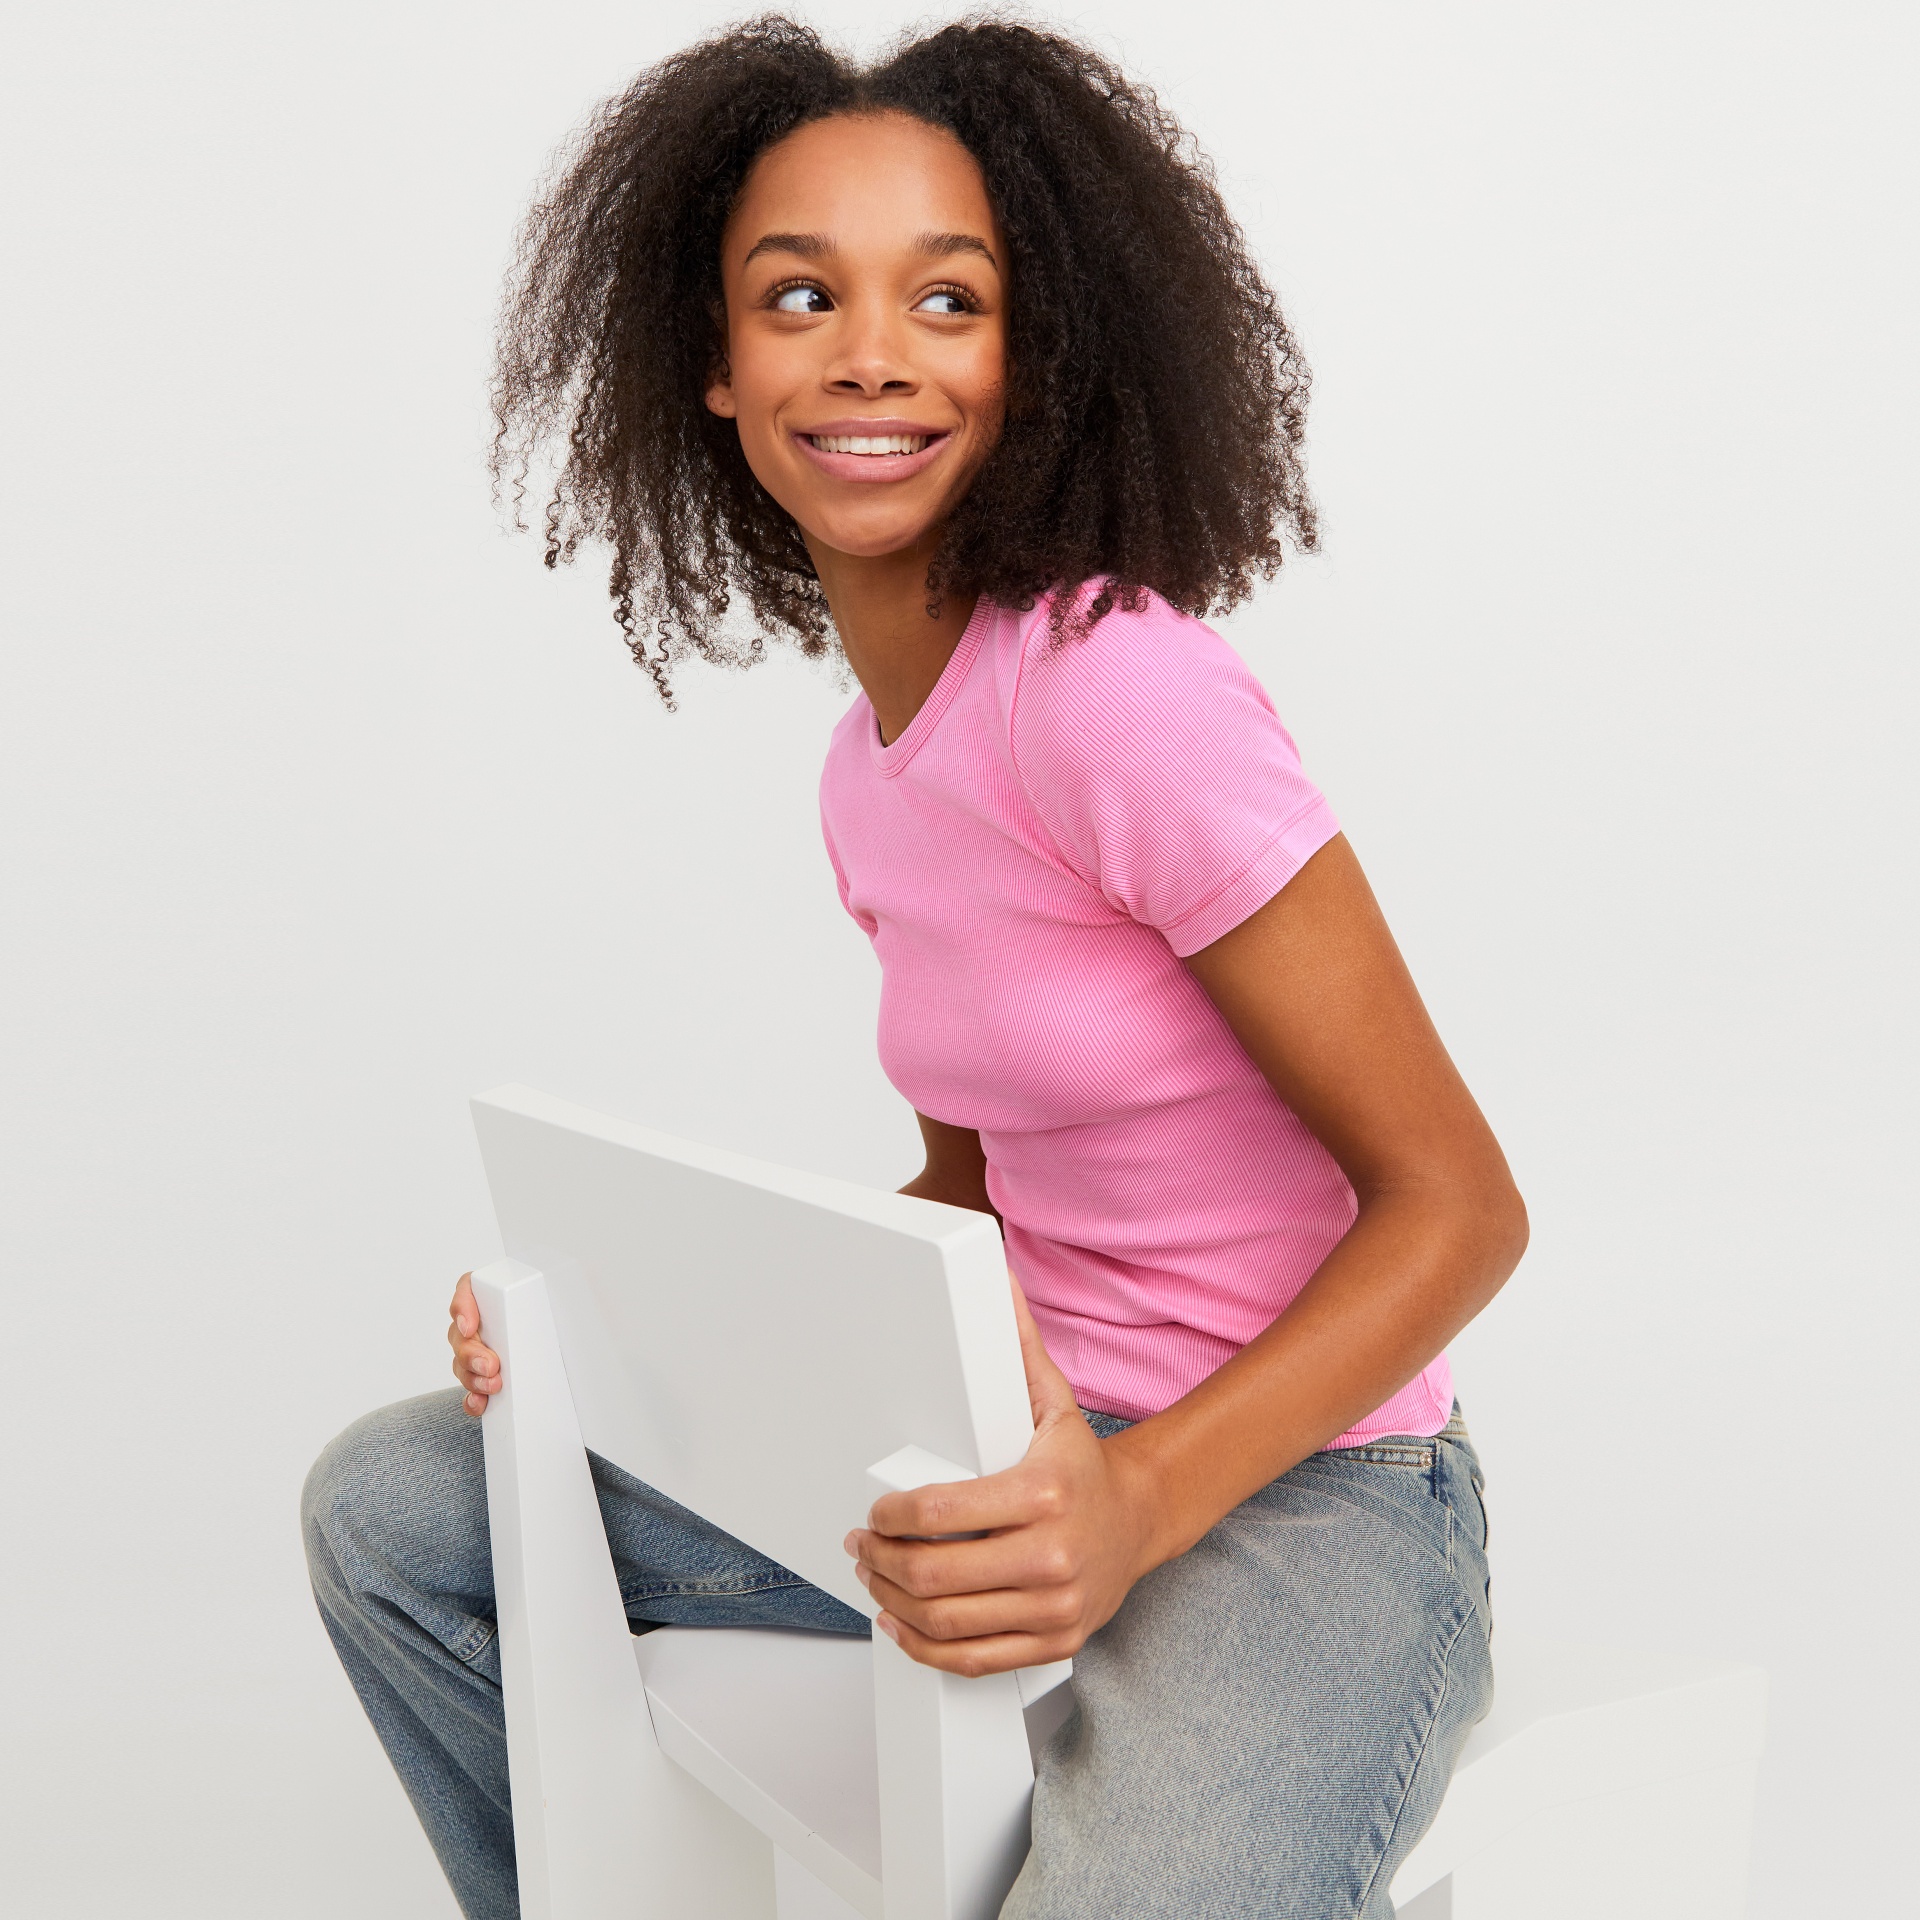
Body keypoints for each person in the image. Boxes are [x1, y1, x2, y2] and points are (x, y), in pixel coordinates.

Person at [302, 17, 1528, 1918]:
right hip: (1008, 1441)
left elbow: (1459, 1209)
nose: (870, 351)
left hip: (1311, 1494)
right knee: (402, 1518)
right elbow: (960, 1208)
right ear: (713, 365)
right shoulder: (871, 769)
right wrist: (610, 1351)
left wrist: (1133, 1510)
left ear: (1030, 354)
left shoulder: (1121, 692)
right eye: (801, 297)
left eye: (947, 299)